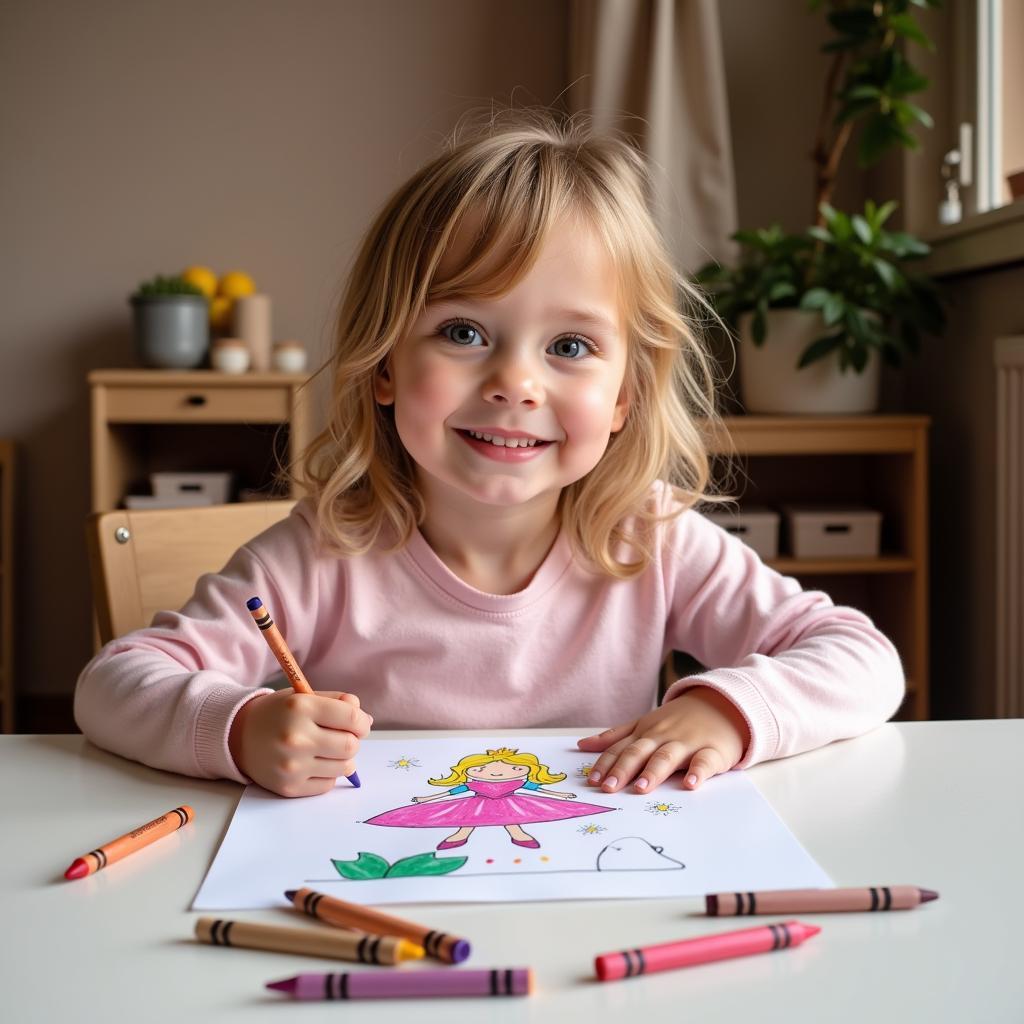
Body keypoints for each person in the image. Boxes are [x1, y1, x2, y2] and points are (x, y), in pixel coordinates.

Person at [75, 107, 904, 800]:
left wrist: (731, 709)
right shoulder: (319, 553)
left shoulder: (649, 538)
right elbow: (111, 685)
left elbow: (863, 660)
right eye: (463, 332)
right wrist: (240, 727)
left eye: (572, 345)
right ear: (385, 363)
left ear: (624, 396)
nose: (516, 383)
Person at [363, 747, 611, 850]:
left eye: (512, 768)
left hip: (511, 802)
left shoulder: (521, 781)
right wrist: (427, 798)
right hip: (477, 802)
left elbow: (538, 790)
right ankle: (460, 835)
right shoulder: (471, 783)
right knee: (467, 818)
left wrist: (560, 794)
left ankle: (518, 835)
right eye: (482, 769)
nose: (496, 772)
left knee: (512, 817)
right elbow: (453, 792)